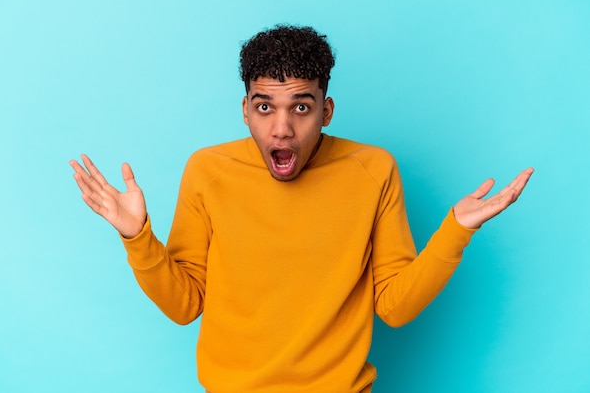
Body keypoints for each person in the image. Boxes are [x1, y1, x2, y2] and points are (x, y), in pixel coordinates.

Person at [69, 25, 533, 393]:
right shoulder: (209, 170)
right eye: (265, 107)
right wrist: (137, 238)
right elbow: (186, 304)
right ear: (245, 110)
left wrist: (455, 231)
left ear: (326, 111)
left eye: (301, 107)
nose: (283, 128)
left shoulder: (373, 170)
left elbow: (393, 306)